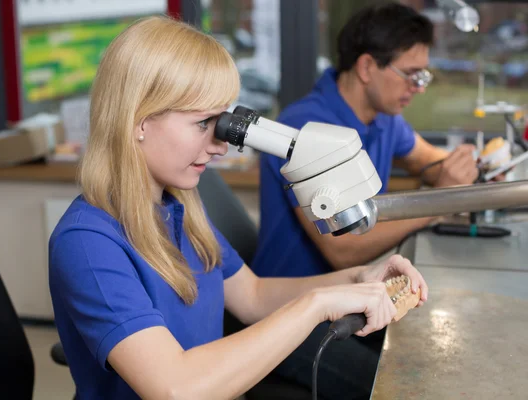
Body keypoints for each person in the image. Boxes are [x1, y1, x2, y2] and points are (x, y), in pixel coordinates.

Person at [48, 16, 428, 400]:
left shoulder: (179, 208)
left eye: (222, 121)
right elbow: (174, 389)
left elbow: (254, 296)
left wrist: (360, 277)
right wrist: (318, 305)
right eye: (203, 123)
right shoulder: (88, 241)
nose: (220, 145)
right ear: (139, 121)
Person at [249, 3, 470, 398]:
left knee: (431, 354)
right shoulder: (305, 131)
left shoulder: (384, 118)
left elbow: (427, 161)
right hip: (289, 315)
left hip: (346, 297)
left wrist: (464, 167)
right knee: (406, 386)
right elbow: (344, 249)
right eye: (411, 74)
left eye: (424, 76)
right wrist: (435, 205)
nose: (418, 88)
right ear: (368, 67)